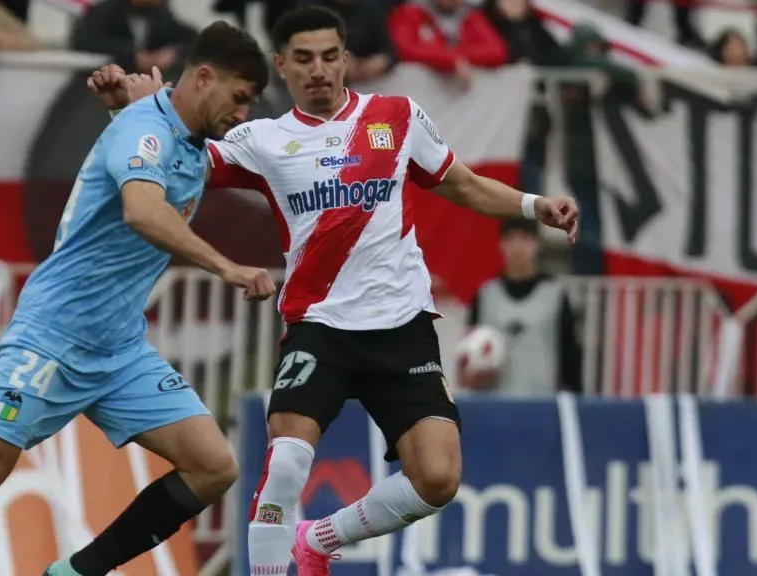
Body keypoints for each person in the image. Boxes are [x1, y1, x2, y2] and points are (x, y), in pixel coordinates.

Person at [89, 7, 579, 576]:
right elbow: (179, 155)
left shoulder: (395, 117)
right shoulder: (261, 139)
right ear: (282, 67)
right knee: (287, 466)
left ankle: (320, 538)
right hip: (320, 327)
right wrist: (137, 111)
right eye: (303, 59)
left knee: (439, 480)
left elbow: (462, 184)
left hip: (402, 328)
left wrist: (532, 205)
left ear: (346, 59)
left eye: (328, 56)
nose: (318, 70)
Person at [0, 21, 272, 576]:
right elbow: (142, 209)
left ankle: (75, 572)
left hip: (120, 351)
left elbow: (153, 144)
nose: (243, 113)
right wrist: (225, 266)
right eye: (240, 97)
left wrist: (139, 106)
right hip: (52, 338)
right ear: (204, 78)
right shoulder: (142, 129)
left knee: (213, 466)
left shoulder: (179, 138)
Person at [463, 218, 582, 396]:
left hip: (542, 404)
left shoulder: (555, 295)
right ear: (500, 244)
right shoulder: (485, 296)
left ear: (537, 243)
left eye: (525, 238)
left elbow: (571, 357)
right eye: (510, 239)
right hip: (494, 405)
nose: (517, 247)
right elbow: (469, 356)